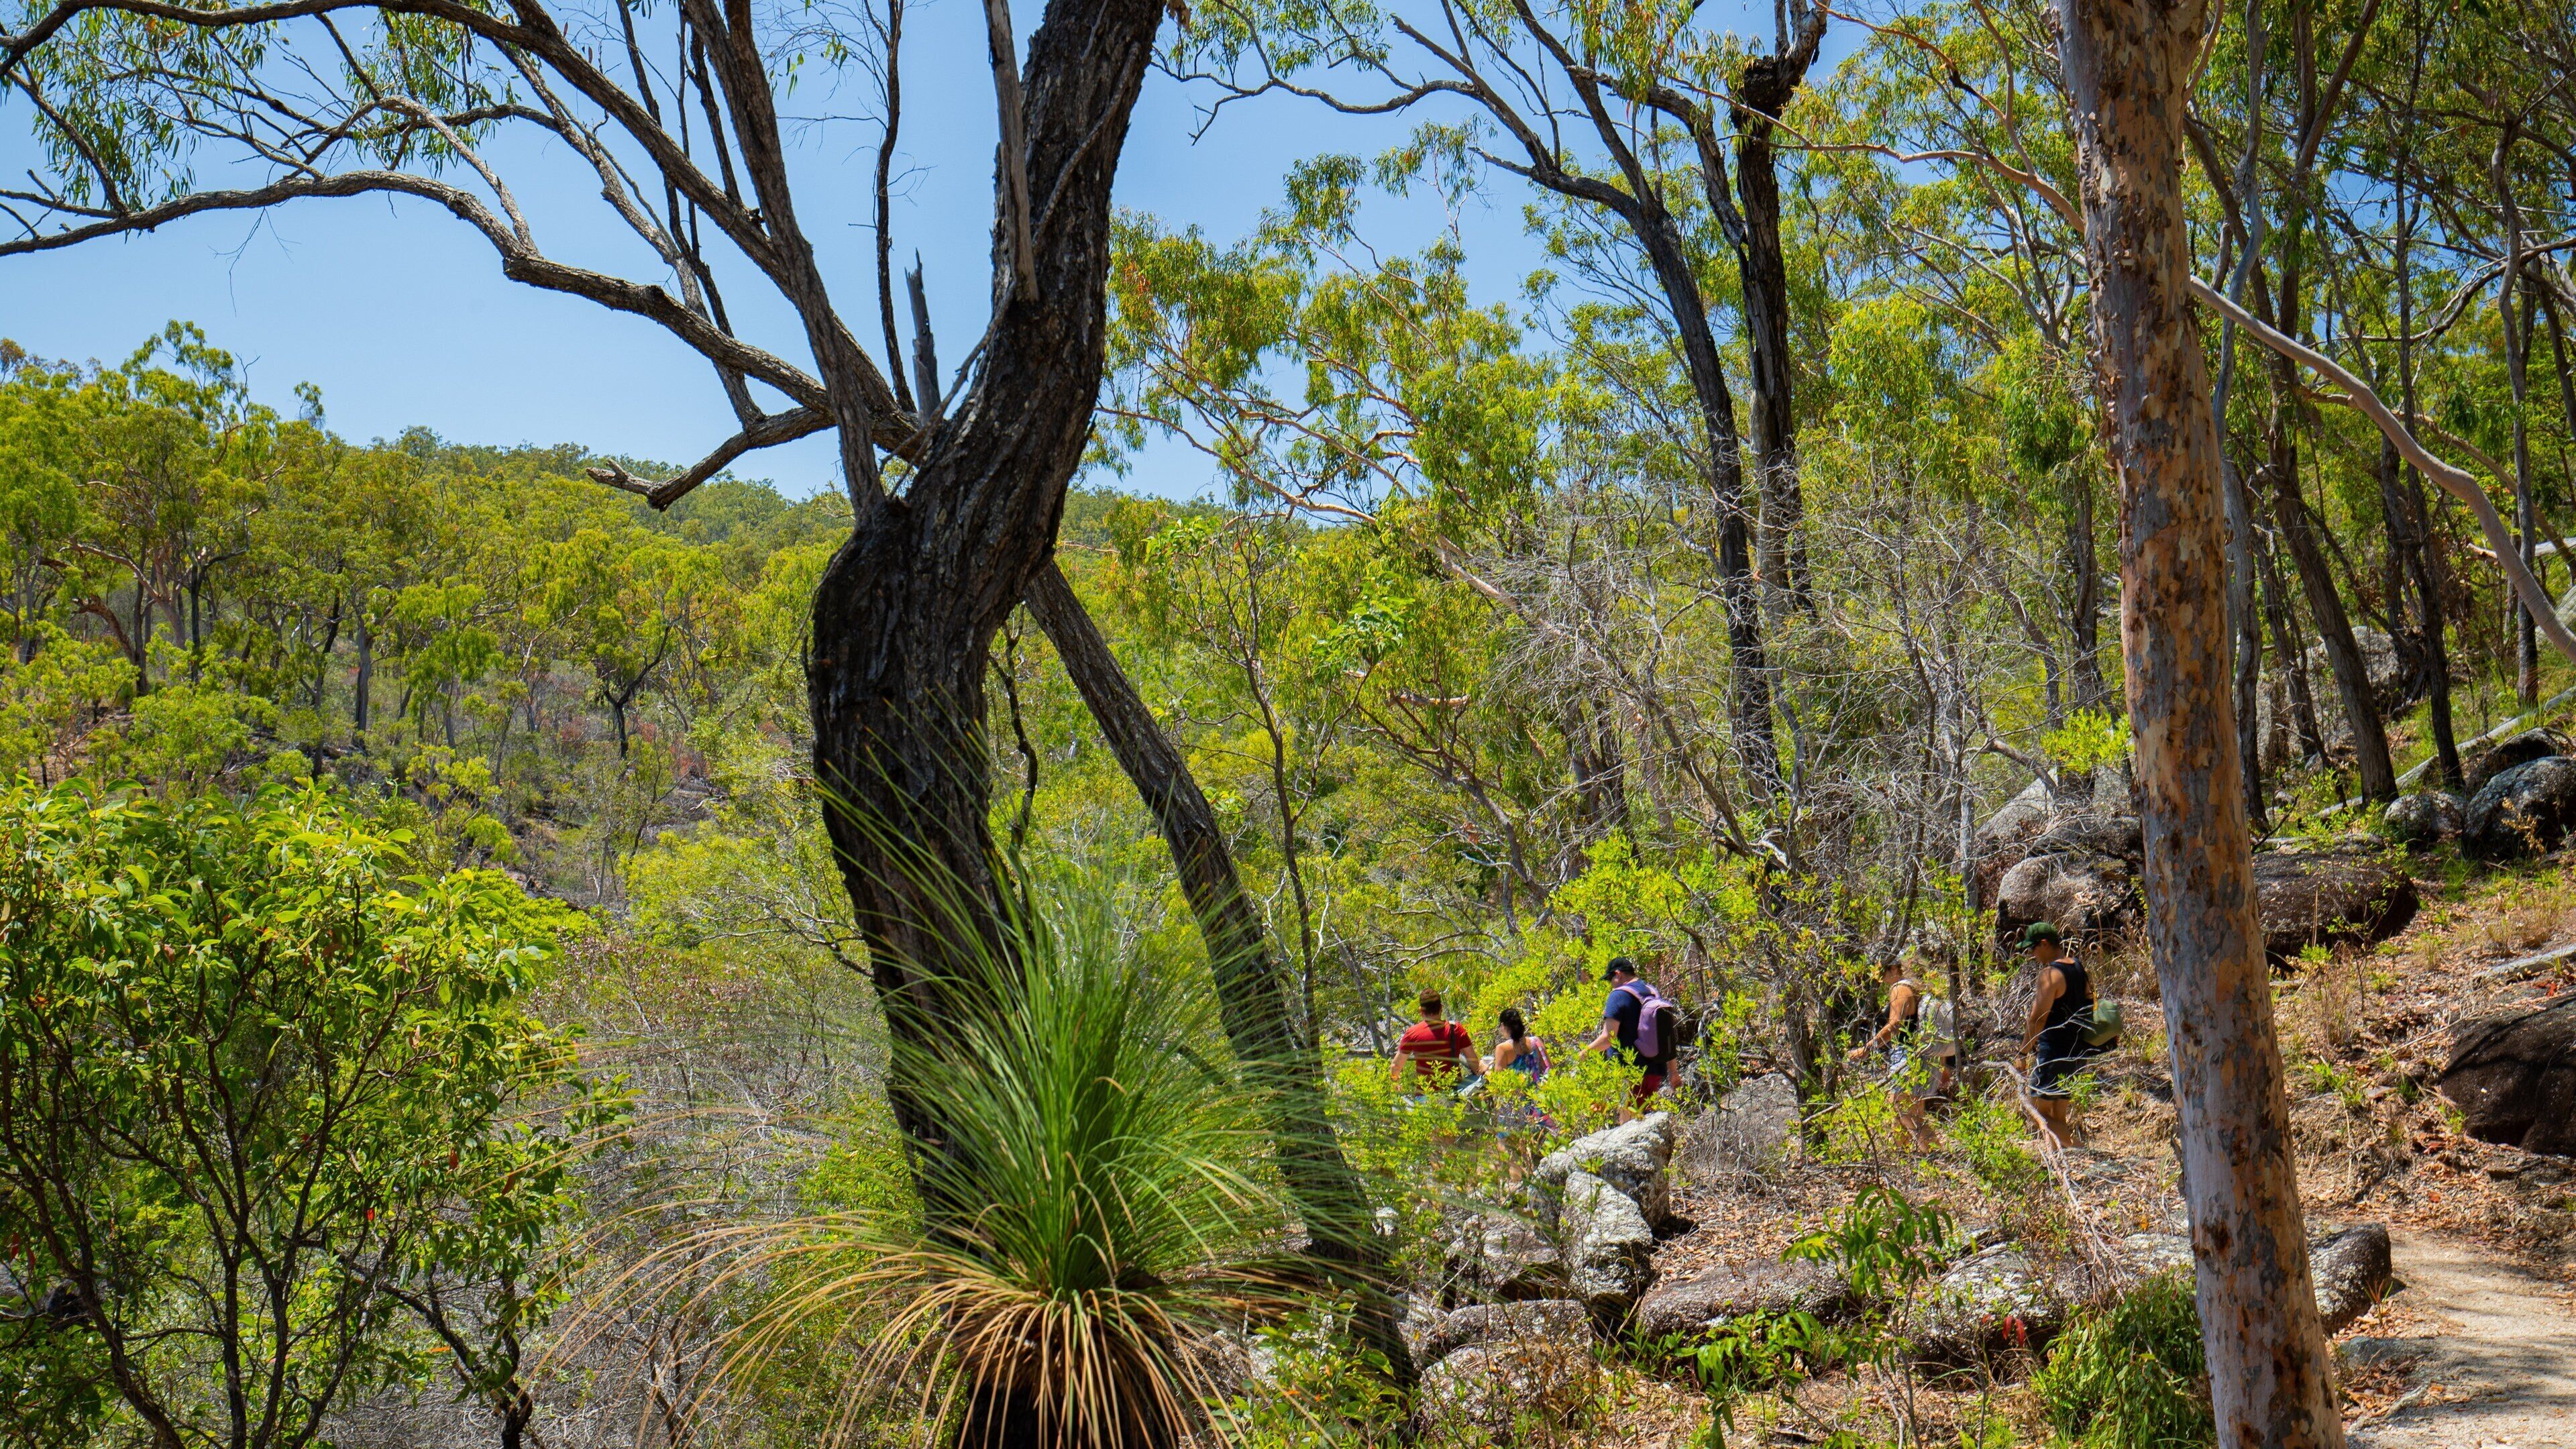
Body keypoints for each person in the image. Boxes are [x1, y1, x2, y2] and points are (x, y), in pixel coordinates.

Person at [2016, 922, 2094, 1148]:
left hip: (2054, 1054)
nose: (2032, 954)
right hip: (2077, 1052)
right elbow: (2091, 1002)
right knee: (2058, 1116)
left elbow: (2037, 1019)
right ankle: (2061, 1164)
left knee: (2036, 1113)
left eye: (2033, 948)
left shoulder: (2050, 974)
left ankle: (2080, 1149)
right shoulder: (2078, 967)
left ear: (2044, 944)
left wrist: (2023, 1051)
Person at [1847, 955, 1937, 1149]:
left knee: (1908, 1113)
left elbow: (1895, 1024)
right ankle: (1903, 1159)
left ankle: (1938, 1158)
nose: (1880, 976)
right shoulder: (1911, 988)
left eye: (1882, 970)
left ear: (1895, 969)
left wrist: (1867, 1048)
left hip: (1907, 1056)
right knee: (1897, 1110)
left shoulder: (1900, 989)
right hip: (1915, 1056)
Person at [1582, 956, 1674, 1115]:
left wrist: (1585, 1053)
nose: (1611, 985)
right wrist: (1673, 1072)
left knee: (1628, 1125)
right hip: (1654, 1072)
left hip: (1630, 1073)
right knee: (1645, 1119)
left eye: (1610, 980)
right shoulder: (1652, 992)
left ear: (1618, 974)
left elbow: (1608, 1038)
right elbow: (1667, 1034)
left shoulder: (1618, 995)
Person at [1392, 989, 1475, 1091]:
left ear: (1421, 1011)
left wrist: (1395, 1083)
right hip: (1453, 1095)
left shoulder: (1412, 1033)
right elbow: (1474, 1063)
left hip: (1426, 1097)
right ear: (1441, 1008)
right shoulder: (1456, 1029)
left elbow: (1396, 1066)